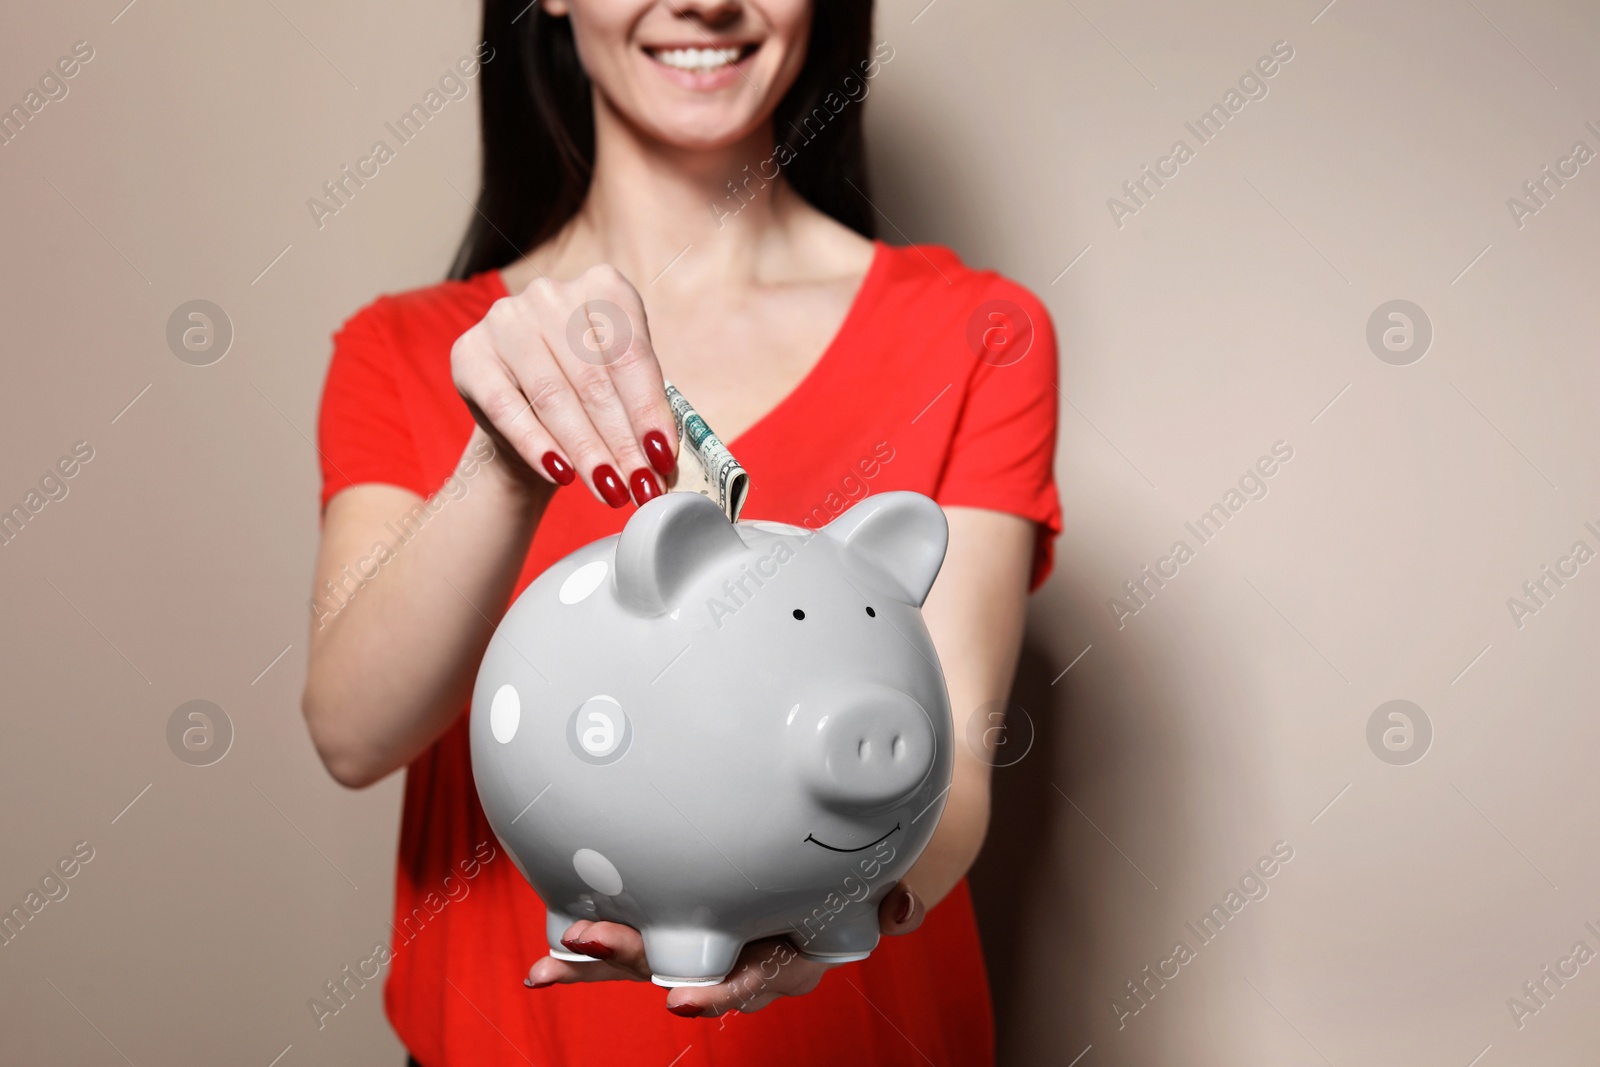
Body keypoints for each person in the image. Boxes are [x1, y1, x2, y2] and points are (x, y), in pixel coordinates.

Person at [301, 1, 1060, 1063]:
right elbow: (353, 730)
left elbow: (958, 751)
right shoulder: (405, 347)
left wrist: (832, 918)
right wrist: (506, 460)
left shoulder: (979, 331)